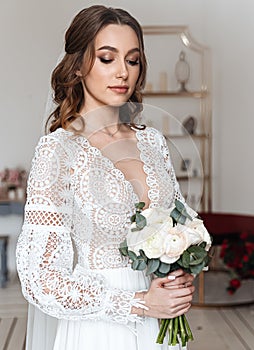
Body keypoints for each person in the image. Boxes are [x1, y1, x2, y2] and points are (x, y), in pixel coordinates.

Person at [16, 5, 196, 350]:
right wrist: (138, 302)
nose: (122, 73)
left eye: (132, 60)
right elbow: (40, 280)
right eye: (107, 58)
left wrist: (180, 271)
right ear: (80, 65)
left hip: (162, 323)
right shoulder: (59, 151)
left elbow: (178, 226)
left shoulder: (151, 141)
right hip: (101, 329)